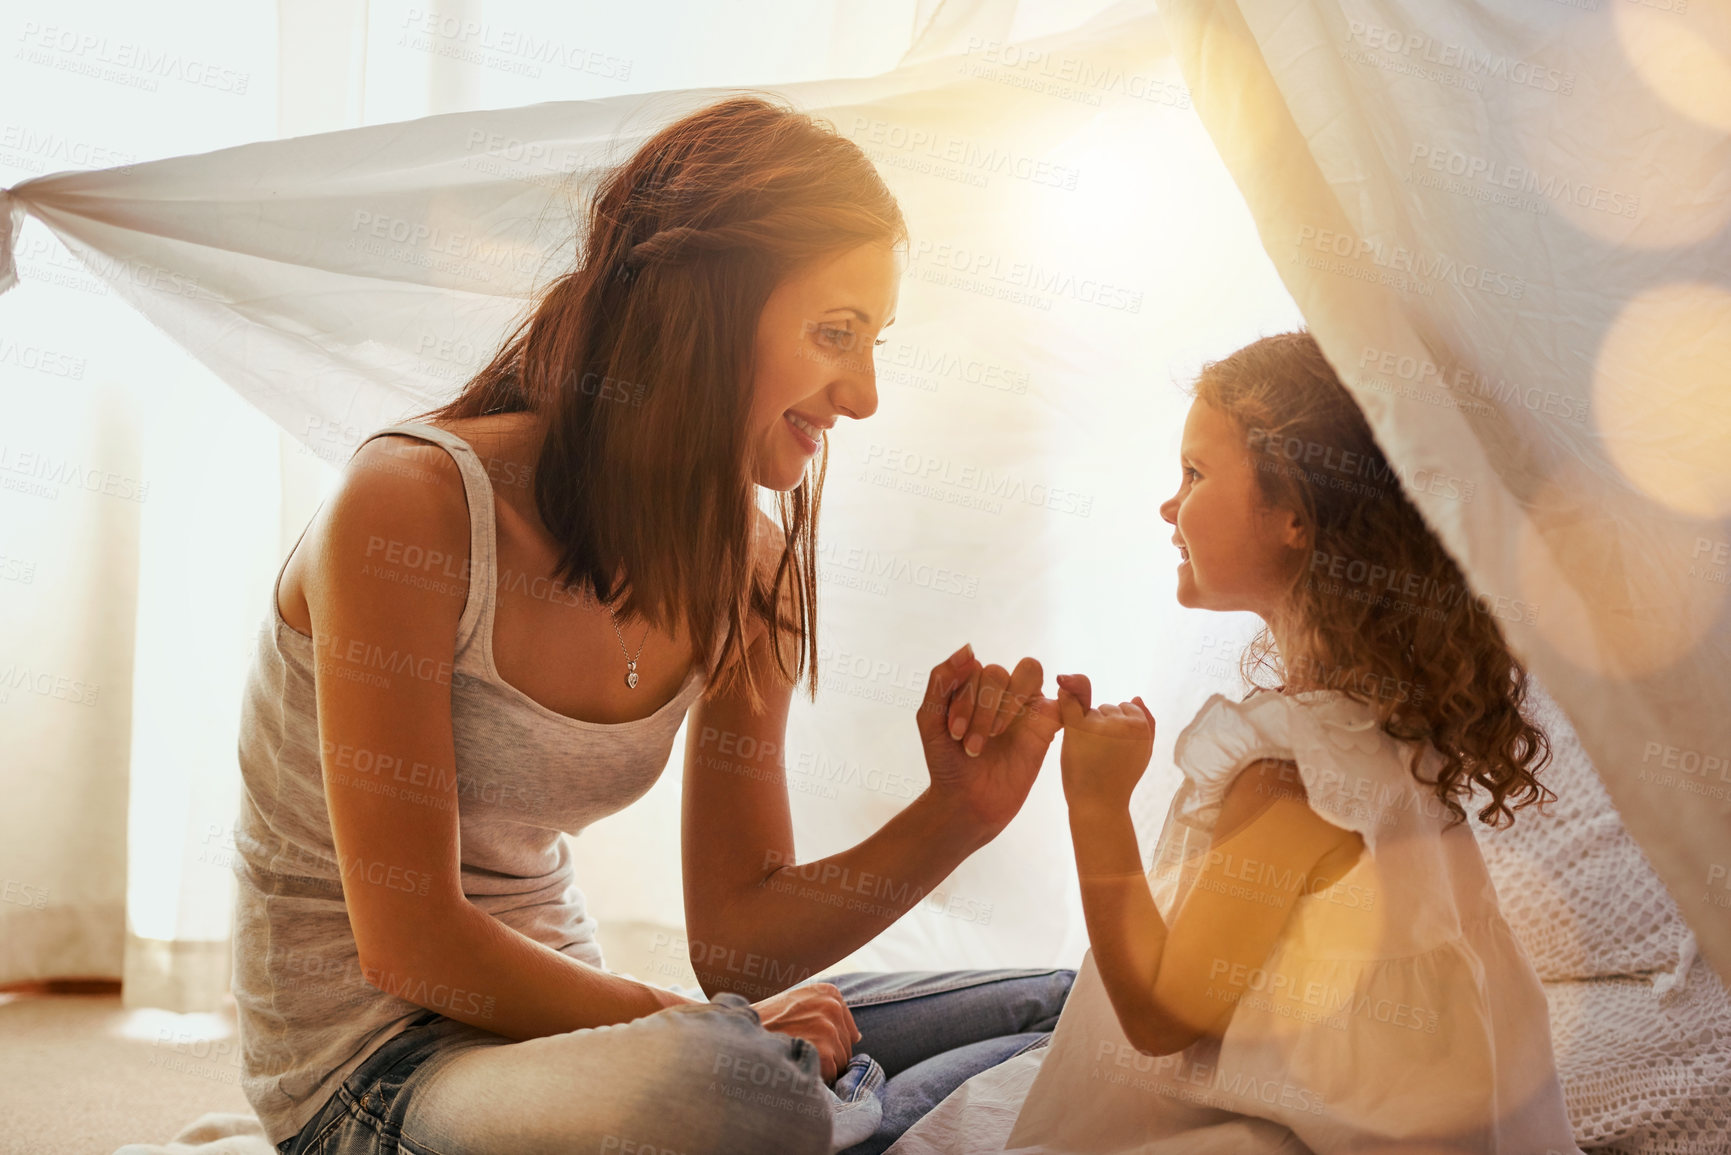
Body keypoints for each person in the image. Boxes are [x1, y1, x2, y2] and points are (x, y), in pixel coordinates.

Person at [233, 93, 1073, 1155]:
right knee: (737, 1086)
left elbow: (739, 943)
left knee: (1077, 1009)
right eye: (835, 334)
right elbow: (411, 944)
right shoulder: (411, 507)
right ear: (701, 311)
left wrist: (959, 815)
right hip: (375, 1075)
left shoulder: (749, 568)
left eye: (874, 344)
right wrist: (711, 1032)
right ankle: (834, 1110)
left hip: (579, 1045)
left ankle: (827, 1108)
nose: (861, 396)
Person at [887, 331, 1586, 1154]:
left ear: (1295, 513)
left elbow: (1159, 1015)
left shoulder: (1294, 773)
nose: (1166, 506)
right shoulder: (1382, 733)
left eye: (1193, 474)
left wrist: (1095, 800)